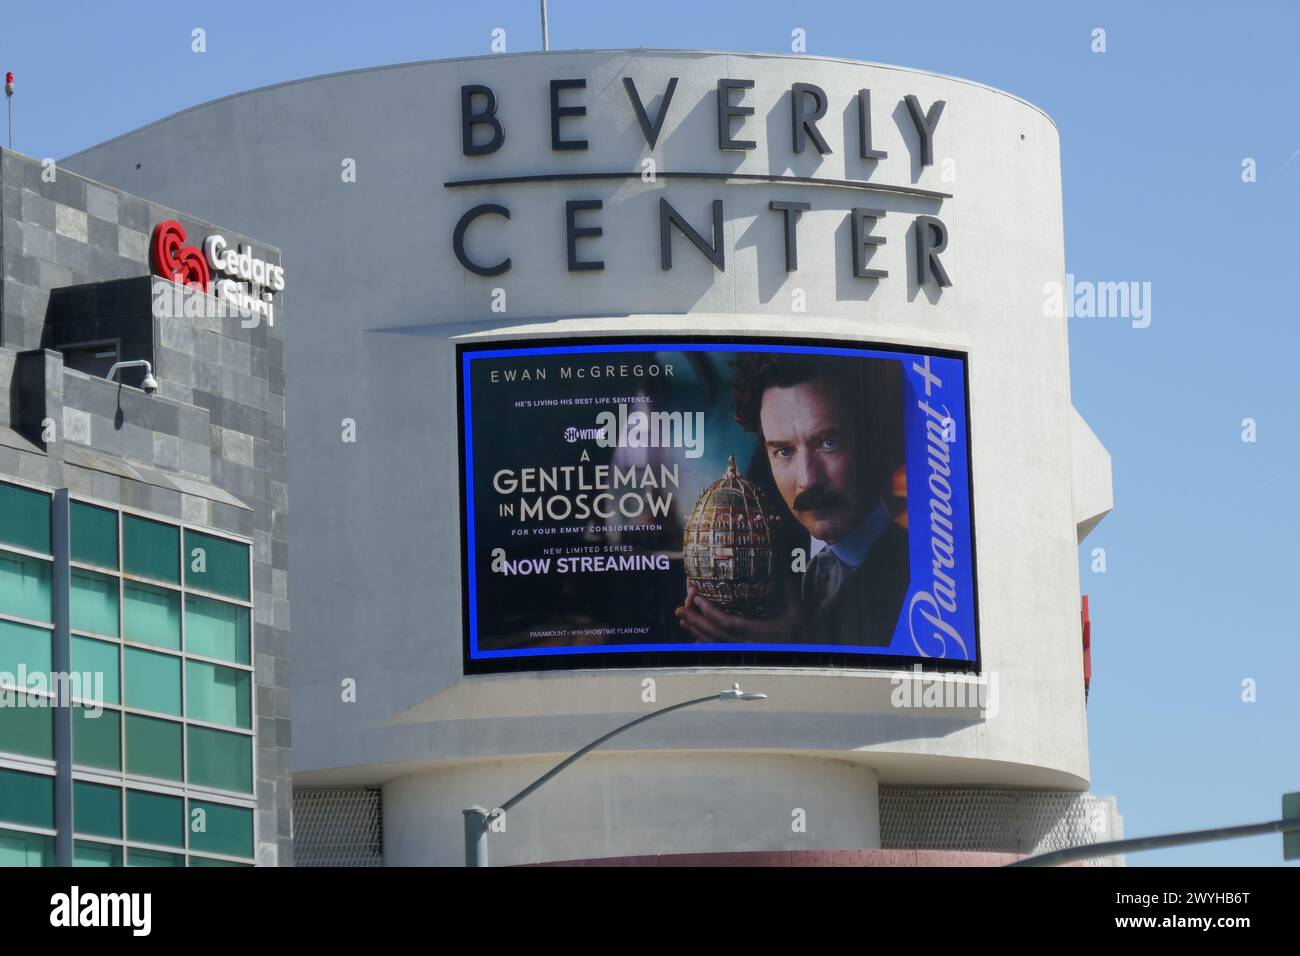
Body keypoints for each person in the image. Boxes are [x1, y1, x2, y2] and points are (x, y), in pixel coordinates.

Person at [675, 353, 908, 646]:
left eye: (828, 443)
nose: (808, 479)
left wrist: (794, 647)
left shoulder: (918, 569)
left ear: (869, 438)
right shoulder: (754, 557)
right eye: (784, 451)